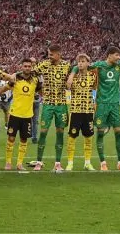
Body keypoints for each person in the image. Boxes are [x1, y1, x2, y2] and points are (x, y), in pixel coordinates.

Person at [69, 46, 120, 171]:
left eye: (119, 55)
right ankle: (103, 164)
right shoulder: (99, 65)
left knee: (119, 132)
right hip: (101, 104)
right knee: (100, 133)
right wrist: (72, 74)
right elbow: (80, 65)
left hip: (115, 105)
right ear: (109, 55)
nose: (119, 58)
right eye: (117, 55)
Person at [32, 44, 71, 172]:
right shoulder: (44, 64)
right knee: (43, 132)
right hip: (48, 104)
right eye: (48, 54)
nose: (49, 56)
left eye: (51, 54)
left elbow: (75, 73)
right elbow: (31, 74)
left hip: (61, 105)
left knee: (60, 133)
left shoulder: (67, 65)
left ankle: (58, 163)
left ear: (58, 54)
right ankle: (38, 162)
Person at [3, 58, 40, 171]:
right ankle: (8, 162)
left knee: (24, 140)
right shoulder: (15, 78)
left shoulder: (35, 80)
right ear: (22, 67)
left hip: (27, 115)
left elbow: (40, 91)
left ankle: (19, 163)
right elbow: (5, 88)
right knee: (11, 138)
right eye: (25, 66)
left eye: (29, 66)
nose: (27, 68)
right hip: (15, 114)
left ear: (31, 67)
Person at [64, 53, 97, 171]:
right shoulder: (73, 77)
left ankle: (87, 163)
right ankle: (70, 163)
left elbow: (94, 90)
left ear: (88, 63)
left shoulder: (92, 76)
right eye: (79, 61)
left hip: (88, 111)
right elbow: (68, 86)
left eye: (83, 61)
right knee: (72, 137)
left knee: (89, 138)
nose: (80, 63)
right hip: (76, 111)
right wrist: (72, 73)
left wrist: (94, 103)